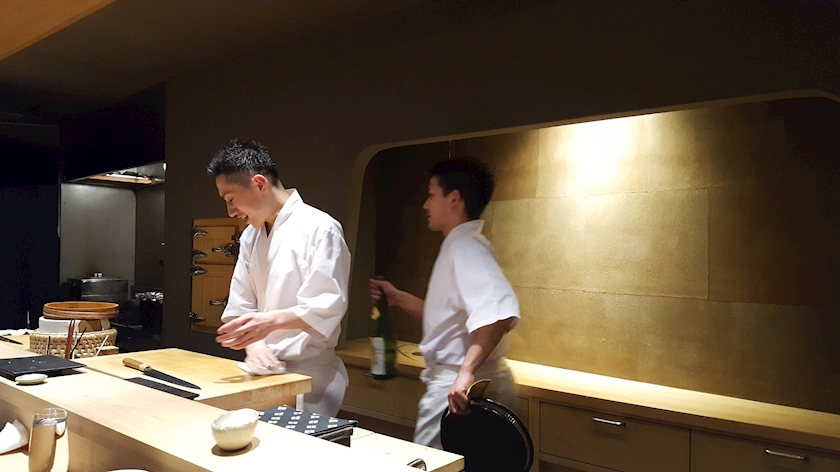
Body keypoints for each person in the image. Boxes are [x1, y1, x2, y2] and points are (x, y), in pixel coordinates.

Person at [370, 157, 520, 449]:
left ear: (454, 200)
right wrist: (399, 298)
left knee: (432, 465)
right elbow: (453, 319)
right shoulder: (461, 244)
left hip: (462, 389)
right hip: (465, 383)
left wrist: (466, 372)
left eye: (431, 195)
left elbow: (497, 316)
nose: (425, 205)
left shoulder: (466, 247)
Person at [208, 138, 351, 416]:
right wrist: (255, 343)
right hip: (261, 371)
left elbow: (326, 306)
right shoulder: (250, 236)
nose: (231, 211)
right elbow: (241, 305)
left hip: (310, 376)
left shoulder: (320, 228)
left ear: (259, 184)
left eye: (230, 199)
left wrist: (269, 322)